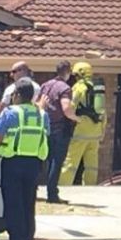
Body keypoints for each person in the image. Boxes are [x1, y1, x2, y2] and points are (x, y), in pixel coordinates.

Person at [0, 78, 50, 240]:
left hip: (12, 162)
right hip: (34, 164)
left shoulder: (10, 113)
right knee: (28, 206)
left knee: (13, 206)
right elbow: (46, 135)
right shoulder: (42, 115)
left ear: (17, 95)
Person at [39, 61, 80, 204]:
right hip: (60, 129)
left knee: (47, 160)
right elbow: (66, 109)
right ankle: (52, 194)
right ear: (67, 71)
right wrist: (77, 118)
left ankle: (46, 191)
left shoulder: (46, 85)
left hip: (46, 127)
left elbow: (39, 105)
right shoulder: (65, 88)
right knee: (57, 162)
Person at [59, 61, 106, 186]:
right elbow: (103, 112)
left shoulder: (78, 88)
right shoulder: (97, 88)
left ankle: (63, 187)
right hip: (95, 133)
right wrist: (103, 131)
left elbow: (71, 107)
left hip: (80, 132)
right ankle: (90, 188)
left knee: (71, 163)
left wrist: (73, 120)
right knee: (91, 165)